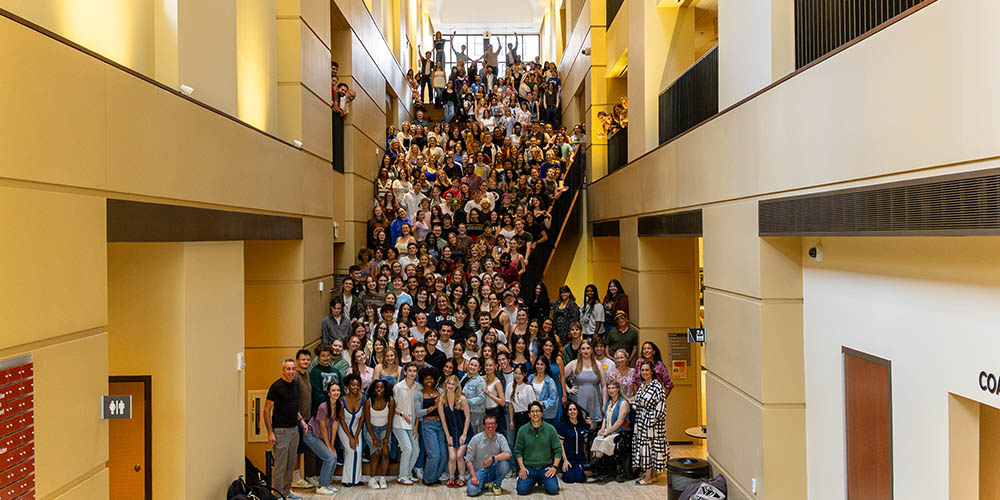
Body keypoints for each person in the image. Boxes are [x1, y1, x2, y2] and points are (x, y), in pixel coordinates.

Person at [265, 359, 310, 500]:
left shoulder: (295, 385)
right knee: (280, 466)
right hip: (280, 431)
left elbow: (293, 406)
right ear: (283, 370)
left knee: (291, 464)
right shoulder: (276, 387)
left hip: (293, 429)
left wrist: (301, 420)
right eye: (288, 369)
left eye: (293, 369)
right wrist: (270, 432)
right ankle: (277, 495)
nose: (291, 372)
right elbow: (266, 410)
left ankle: (286, 492)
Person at [584, 379, 630, 482]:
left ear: (618, 389)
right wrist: (602, 429)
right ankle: (599, 468)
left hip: (620, 431)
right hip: (608, 430)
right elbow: (605, 418)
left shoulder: (623, 403)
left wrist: (608, 432)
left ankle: (592, 465)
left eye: (613, 388)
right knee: (597, 439)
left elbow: (619, 421)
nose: (611, 390)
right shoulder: (608, 403)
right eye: (609, 388)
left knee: (605, 441)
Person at [513, 401, 562, 495]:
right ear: (529, 415)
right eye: (532, 411)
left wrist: (554, 467)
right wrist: (522, 468)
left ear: (542, 413)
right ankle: (532, 480)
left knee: (553, 490)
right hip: (528, 468)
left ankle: (540, 480)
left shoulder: (550, 429)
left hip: (545, 467)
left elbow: (558, 450)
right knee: (521, 490)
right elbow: (518, 451)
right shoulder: (522, 430)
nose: (535, 414)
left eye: (538, 411)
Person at [633, 361, 668, 485]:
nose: (644, 373)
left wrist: (654, 419)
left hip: (652, 423)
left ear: (652, 371)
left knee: (650, 448)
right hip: (641, 421)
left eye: (647, 370)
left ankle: (648, 477)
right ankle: (652, 475)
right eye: (642, 370)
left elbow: (661, 404)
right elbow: (636, 402)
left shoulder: (656, 386)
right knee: (646, 447)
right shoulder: (642, 385)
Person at [303, 381, 341, 495]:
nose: (336, 393)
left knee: (334, 457)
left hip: (321, 436)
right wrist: (328, 446)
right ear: (328, 393)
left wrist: (332, 445)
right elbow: (323, 428)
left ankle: (326, 484)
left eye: (338, 390)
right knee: (329, 458)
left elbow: (335, 426)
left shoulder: (340, 405)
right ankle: (321, 486)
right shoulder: (323, 407)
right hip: (311, 435)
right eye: (333, 390)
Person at [465, 414, 513, 496]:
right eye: (487, 424)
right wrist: (473, 476)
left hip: (494, 470)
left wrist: (492, 458)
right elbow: (468, 460)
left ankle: (496, 484)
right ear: (484, 426)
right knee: (472, 491)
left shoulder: (500, 437)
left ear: (496, 425)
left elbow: (508, 454)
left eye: (492, 424)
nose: (490, 426)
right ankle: (484, 485)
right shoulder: (476, 439)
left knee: (505, 463)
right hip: (480, 471)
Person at [415, 366, 448, 486]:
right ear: (422, 380)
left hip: (440, 424)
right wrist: (434, 407)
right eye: (426, 379)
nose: (429, 381)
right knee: (434, 454)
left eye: (431, 379)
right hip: (428, 425)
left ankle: (435, 477)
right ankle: (428, 478)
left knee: (444, 455)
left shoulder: (439, 391)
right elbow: (418, 412)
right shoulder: (419, 394)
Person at [563, 339, 606, 430]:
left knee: (592, 428)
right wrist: (568, 389)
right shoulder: (573, 364)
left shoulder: (598, 364)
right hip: (578, 401)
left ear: (591, 350)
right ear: (579, 350)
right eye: (583, 348)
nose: (585, 351)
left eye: (588, 348)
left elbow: (604, 386)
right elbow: (561, 376)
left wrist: (604, 403)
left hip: (594, 401)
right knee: (578, 426)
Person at [392, 363, 421, 484]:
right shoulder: (398, 387)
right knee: (407, 449)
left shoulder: (418, 388)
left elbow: (418, 410)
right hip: (399, 423)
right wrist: (402, 414)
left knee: (416, 450)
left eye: (414, 371)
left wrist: (416, 427)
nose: (412, 373)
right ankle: (402, 476)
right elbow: (392, 407)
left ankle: (408, 473)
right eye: (410, 371)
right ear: (405, 372)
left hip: (412, 424)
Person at [441, 374, 471, 488]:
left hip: (464, 430)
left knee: (459, 456)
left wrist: (464, 434)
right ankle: (452, 477)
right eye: (449, 383)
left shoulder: (462, 399)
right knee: (452, 457)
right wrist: (448, 436)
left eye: (453, 384)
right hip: (451, 432)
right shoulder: (442, 400)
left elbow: (468, 417)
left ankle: (462, 477)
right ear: (445, 384)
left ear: (457, 386)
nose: (450, 386)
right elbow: (443, 420)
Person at [364, 379, 395, 489]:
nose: (379, 389)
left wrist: (387, 437)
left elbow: (390, 421)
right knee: (376, 452)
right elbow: (367, 422)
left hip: (385, 429)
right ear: (373, 389)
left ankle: (382, 478)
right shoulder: (368, 401)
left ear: (385, 389)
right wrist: (374, 438)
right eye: (377, 387)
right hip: (370, 429)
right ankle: (372, 479)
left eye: (381, 387)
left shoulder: (390, 400)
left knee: (385, 451)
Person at [338, 374, 366, 487]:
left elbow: (362, 419)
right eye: (353, 385)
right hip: (344, 428)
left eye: (358, 385)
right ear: (348, 386)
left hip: (356, 428)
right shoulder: (342, 399)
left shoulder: (363, 398)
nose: (355, 387)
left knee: (358, 451)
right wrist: (350, 437)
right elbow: (342, 419)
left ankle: (356, 479)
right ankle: (347, 479)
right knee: (351, 450)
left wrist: (356, 436)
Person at [557, 401, 590, 484]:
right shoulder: (563, 426)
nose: (572, 411)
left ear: (578, 412)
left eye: (574, 409)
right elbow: (560, 445)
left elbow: (586, 443)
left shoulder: (582, 425)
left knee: (580, 479)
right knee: (569, 479)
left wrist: (590, 427)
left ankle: (578, 470)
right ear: (567, 413)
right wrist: (565, 460)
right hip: (568, 458)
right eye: (570, 410)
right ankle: (565, 469)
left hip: (580, 459)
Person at [529, 357, 560, 426]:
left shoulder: (550, 382)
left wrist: (542, 403)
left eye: (542, 364)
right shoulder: (530, 378)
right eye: (537, 364)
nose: (539, 366)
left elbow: (553, 399)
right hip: (533, 413)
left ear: (546, 366)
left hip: (546, 414)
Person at [462, 357, 487, 435]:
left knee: (475, 437)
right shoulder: (465, 377)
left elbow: (482, 397)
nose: (472, 367)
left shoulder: (480, 381)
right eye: (471, 364)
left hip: (476, 413)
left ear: (479, 368)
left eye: (475, 366)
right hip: (464, 411)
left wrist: (466, 402)